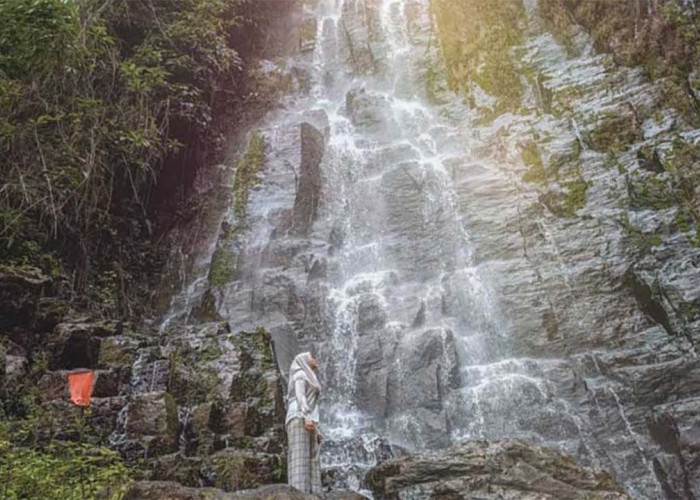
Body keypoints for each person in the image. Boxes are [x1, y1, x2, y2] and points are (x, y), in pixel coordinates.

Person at [286, 352, 322, 494]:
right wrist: (306, 417)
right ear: (305, 360)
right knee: (300, 455)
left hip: (309, 418)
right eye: (312, 357)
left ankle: (315, 492)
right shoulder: (300, 374)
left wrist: (317, 428)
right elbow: (300, 397)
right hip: (299, 416)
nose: (315, 359)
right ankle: (299, 493)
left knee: (313, 455)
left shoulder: (310, 376)